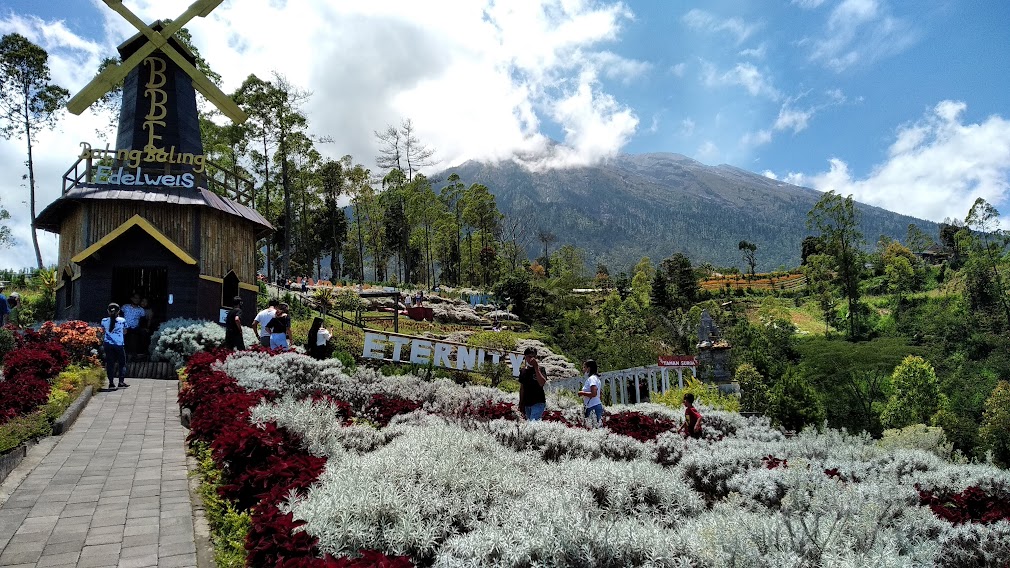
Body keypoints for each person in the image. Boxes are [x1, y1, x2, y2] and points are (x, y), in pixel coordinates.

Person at [101, 303, 129, 390]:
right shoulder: (122, 320)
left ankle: (111, 383)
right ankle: (121, 381)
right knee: (122, 363)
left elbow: (102, 331)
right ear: (119, 311)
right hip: (119, 344)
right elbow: (125, 331)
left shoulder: (104, 321)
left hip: (108, 344)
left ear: (108, 311)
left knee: (110, 364)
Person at [517, 347, 548, 421]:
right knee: (529, 425)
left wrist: (536, 367)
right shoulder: (523, 371)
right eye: (529, 357)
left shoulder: (541, 369)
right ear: (525, 357)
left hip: (538, 402)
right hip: (527, 403)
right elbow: (522, 388)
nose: (532, 359)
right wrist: (521, 403)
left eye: (534, 357)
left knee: (532, 424)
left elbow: (542, 383)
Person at [578, 359, 603, 427]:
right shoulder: (596, 378)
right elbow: (600, 393)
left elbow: (594, 393)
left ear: (588, 369)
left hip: (592, 406)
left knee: (594, 428)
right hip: (595, 405)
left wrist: (582, 393)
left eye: (584, 367)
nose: (583, 370)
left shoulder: (592, 379)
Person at [120, 292, 145, 360]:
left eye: (138, 298)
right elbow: (120, 317)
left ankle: (133, 356)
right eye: (135, 298)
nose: (137, 300)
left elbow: (142, 321)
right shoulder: (125, 307)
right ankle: (123, 356)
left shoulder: (141, 310)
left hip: (135, 328)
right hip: (124, 328)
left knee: (134, 339)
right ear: (132, 298)